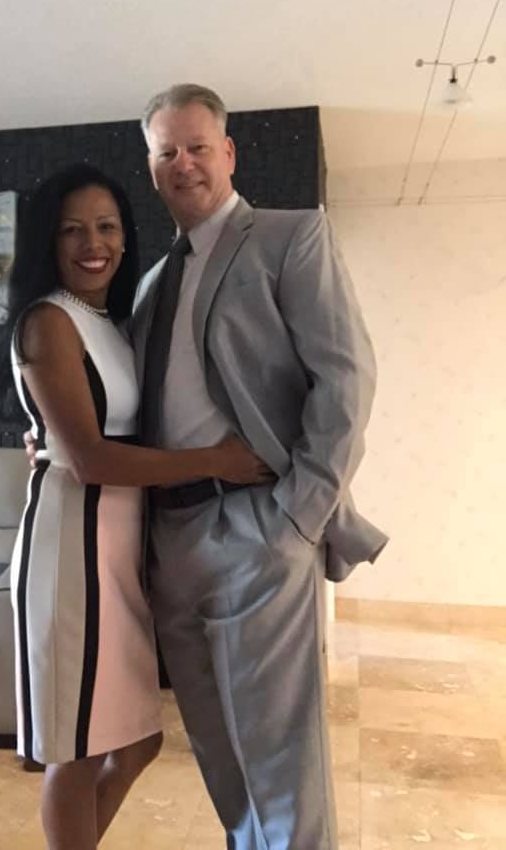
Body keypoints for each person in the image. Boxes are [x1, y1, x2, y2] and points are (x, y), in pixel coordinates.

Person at [130, 83, 389, 849]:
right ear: (151, 167)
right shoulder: (151, 285)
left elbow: (345, 379)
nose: (183, 164)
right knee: (218, 749)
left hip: (258, 525)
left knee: (278, 753)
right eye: (166, 152)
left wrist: (297, 518)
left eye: (197, 147)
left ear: (229, 152)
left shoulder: (289, 236)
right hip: (168, 537)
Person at [0, 163, 271, 850]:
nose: (94, 244)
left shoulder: (109, 321)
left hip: (115, 552)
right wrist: (219, 461)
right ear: (47, 241)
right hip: (73, 552)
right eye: (73, 230)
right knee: (77, 751)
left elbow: (87, 432)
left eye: (107, 227)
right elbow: (91, 459)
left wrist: (47, 441)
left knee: (139, 740)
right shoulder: (49, 320)